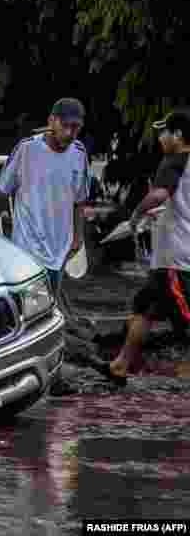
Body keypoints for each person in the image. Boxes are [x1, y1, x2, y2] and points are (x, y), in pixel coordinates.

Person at [106, 109, 190, 384]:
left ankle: (126, 363)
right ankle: (121, 363)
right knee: (144, 308)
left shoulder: (174, 161)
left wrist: (135, 216)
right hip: (170, 258)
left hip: (176, 259)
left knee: (176, 315)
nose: (160, 137)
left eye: (164, 132)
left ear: (178, 135)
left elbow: (159, 194)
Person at [0, 98, 92, 296]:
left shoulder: (79, 153)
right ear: (52, 121)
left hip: (59, 246)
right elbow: (2, 192)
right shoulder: (27, 148)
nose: (70, 133)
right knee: (29, 303)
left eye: (76, 127)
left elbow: (80, 201)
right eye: (66, 126)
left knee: (49, 301)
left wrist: (78, 237)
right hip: (27, 245)